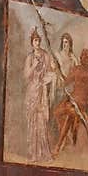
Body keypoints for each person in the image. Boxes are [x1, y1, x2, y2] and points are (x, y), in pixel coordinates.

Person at [53, 48, 88, 156]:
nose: (84, 58)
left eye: (86, 56)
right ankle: (68, 136)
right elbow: (66, 82)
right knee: (57, 112)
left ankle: (59, 144)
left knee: (70, 115)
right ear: (80, 58)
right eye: (82, 56)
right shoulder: (76, 69)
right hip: (71, 100)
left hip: (81, 103)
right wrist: (58, 70)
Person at [23, 28, 52, 162]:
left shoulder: (45, 55)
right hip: (32, 92)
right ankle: (33, 154)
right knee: (32, 122)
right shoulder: (30, 57)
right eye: (35, 40)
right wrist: (34, 65)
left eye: (38, 40)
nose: (37, 42)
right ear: (32, 43)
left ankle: (44, 153)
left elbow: (50, 71)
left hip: (42, 91)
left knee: (42, 122)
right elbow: (26, 75)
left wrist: (48, 79)